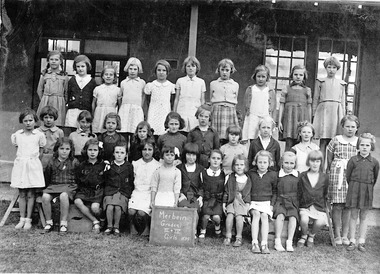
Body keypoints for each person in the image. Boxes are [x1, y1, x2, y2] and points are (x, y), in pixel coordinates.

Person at [326, 115, 359, 246]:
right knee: (338, 205)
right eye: (347, 126)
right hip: (337, 173)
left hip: (352, 175)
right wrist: (331, 170)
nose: (350, 129)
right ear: (342, 127)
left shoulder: (358, 141)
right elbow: (329, 157)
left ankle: (345, 235)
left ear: (357, 128)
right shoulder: (336, 140)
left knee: (348, 205)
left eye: (353, 127)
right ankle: (337, 235)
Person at [11, 108, 46, 230]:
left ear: (35, 121)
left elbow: (41, 151)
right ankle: (21, 218)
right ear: (22, 122)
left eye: (30, 120)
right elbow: (18, 150)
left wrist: (34, 162)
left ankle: (28, 219)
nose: (28, 123)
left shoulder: (39, 135)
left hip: (33, 165)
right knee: (22, 193)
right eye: (25, 120)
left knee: (31, 193)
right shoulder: (17, 135)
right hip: (21, 165)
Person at [346, 133, 379, 252]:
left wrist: (367, 187)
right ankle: (352, 240)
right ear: (358, 146)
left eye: (367, 145)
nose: (364, 147)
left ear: (371, 147)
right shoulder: (353, 160)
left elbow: (374, 178)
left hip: (367, 190)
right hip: (354, 188)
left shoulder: (374, 162)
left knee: (364, 216)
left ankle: (362, 241)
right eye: (362, 145)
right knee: (353, 215)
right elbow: (348, 177)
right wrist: (355, 186)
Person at [42, 137, 79, 233]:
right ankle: (49, 222)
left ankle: (63, 223)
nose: (64, 152)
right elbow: (47, 176)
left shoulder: (74, 162)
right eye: (61, 149)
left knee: (63, 195)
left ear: (71, 150)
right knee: (45, 196)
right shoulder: (51, 161)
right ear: (57, 149)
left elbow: (78, 178)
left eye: (67, 149)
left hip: (69, 186)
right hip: (54, 186)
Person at [313, 56, 346, 158]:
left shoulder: (341, 84)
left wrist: (343, 117)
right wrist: (314, 114)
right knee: (323, 141)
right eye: (329, 67)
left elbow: (343, 102)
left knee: (334, 141)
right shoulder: (320, 81)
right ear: (326, 68)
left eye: (334, 68)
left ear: (337, 69)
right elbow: (315, 99)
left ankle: (331, 167)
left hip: (336, 112)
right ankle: (321, 167)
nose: (331, 70)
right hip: (324, 111)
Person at [129, 139, 161, 235]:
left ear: (154, 150)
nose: (147, 152)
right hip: (137, 191)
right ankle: (132, 226)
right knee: (131, 211)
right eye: (144, 149)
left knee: (142, 213)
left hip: (149, 193)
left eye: (149, 149)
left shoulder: (157, 165)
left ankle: (146, 227)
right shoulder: (135, 164)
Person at [297, 150, 329, 248]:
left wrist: (326, 207)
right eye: (312, 161)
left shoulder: (324, 177)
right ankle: (304, 235)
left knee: (320, 222)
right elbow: (299, 192)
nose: (315, 164)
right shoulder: (302, 175)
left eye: (317, 161)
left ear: (321, 163)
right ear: (308, 162)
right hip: (305, 206)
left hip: (319, 206)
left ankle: (311, 235)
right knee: (304, 220)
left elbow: (325, 193)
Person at [248, 150, 277, 254]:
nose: (262, 165)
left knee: (264, 216)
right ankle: (255, 243)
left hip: (266, 202)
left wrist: (272, 205)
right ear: (256, 162)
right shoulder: (251, 173)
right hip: (254, 202)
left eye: (265, 162)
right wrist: (248, 202)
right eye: (260, 162)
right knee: (256, 214)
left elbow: (275, 191)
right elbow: (247, 189)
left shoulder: (273, 175)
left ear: (269, 163)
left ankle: (264, 244)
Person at [74, 139, 105, 234]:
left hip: (97, 191)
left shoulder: (103, 165)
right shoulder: (82, 165)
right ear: (85, 151)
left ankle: (103, 219)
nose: (92, 152)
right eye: (90, 150)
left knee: (95, 208)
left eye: (95, 150)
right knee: (77, 201)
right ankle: (95, 221)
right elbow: (78, 179)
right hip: (85, 190)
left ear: (99, 151)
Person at [278, 65, 312, 151]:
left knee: (301, 141)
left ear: (304, 76)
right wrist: (279, 121)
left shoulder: (307, 90)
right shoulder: (286, 88)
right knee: (289, 142)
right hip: (289, 119)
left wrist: (309, 123)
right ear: (292, 75)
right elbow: (281, 105)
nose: (298, 77)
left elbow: (309, 107)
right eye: (295, 74)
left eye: (301, 75)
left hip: (302, 118)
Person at [103, 142, 134, 235]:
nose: (119, 155)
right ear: (113, 154)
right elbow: (105, 179)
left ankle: (116, 227)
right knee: (109, 206)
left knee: (118, 206)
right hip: (110, 191)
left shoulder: (128, 166)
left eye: (122, 153)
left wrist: (128, 192)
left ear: (126, 154)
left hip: (123, 191)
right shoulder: (109, 165)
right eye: (117, 152)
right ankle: (109, 226)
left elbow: (131, 181)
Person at [223, 154, 251, 248]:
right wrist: (224, 203)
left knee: (239, 217)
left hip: (241, 201)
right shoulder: (230, 177)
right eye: (237, 165)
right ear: (234, 166)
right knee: (230, 216)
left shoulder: (247, 178)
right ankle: (228, 236)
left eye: (241, 165)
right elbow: (226, 191)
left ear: (245, 166)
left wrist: (247, 204)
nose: (239, 167)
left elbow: (248, 193)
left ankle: (238, 237)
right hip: (231, 200)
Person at [273, 151, 299, 252]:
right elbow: (274, 190)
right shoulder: (277, 175)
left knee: (293, 217)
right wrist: (272, 204)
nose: (289, 166)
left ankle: (289, 241)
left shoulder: (297, 176)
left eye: (291, 163)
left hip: (293, 201)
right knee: (280, 216)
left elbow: (300, 191)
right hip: (280, 200)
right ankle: (277, 241)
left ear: (295, 164)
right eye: (286, 163)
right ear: (281, 163)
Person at [242, 65, 276, 141]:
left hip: (265, 116)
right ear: (255, 76)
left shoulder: (270, 90)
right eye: (258, 76)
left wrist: (271, 119)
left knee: (264, 137)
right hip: (253, 116)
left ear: (267, 77)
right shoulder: (251, 89)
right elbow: (245, 105)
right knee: (252, 137)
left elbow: (273, 107)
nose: (260, 79)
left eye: (263, 77)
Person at [210, 58, 239, 144]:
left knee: (230, 135)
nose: (224, 72)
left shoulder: (235, 85)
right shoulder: (213, 84)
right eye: (222, 70)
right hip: (217, 111)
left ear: (231, 70)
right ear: (219, 70)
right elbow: (211, 99)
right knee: (216, 136)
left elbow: (235, 99)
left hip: (230, 111)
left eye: (227, 70)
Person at [174, 56, 206, 134]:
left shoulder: (201, 82)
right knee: (182, 131)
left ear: (197, 68)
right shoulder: (180, 81)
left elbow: (202, 100)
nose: (190, 68)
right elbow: (177, 98)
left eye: (193, 66)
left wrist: (202, 113)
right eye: (188, 66)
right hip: (182, 110)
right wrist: (174, 113)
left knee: (194, 132)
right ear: (185, 68)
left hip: (194, 110)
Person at [36, 50, 68, 127]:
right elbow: (39, 90)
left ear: (60, 61)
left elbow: (66, 92)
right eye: (51, 59)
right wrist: (44, 99)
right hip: (46, 101)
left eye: (56, 60)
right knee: (44, 121)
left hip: (59, 103)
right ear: (48, 61)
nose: (54, 62)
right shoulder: (44, 74)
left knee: (57, 122)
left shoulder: (64, 75)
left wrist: (62, 101)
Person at [65, 55, 97, 130]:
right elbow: (67, 94)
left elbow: (93, 98)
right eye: (78, 66)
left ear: (87, 67)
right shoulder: (72, 80)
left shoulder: (92, 81)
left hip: (85, 111)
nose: (80, 69)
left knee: (84, 129)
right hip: (73, 111)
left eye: (83, 66)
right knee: (71, 129)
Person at [199, 150, 225, 241]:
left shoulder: (223, 174)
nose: (215, 161)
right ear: (209, 160)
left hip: (218, 200)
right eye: (213, 158)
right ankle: (203, 230)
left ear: (221, 161)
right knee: (206, 216)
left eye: (218, 159)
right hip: (207, 199)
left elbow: (225, 190)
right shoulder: (204, 173)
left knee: (216, 217)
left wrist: (224, 202)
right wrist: (201, 197)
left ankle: (217, 227)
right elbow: (201, 187)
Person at [118, 57, 146, 144]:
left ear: (138, 70)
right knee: (124, 132)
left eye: (135, 69)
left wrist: (140, 108)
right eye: (130, 69)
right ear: (127, 69)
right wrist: (120, 108)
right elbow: (120, 97)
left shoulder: (142, 82)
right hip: (125, 110)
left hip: (136, 109)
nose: (132, 71)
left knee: (135, 132)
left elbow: (143, 97)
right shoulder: (123, 82)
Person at [145, 60, 175, 137]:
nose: (161, 72)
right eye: (159, 70)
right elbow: (147, 101)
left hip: (165, 111)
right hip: (153, 112)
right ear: (155, 71)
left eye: (164, 70)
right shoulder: (151, 85)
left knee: (164, 133)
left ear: (167, 72)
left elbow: (172, 101)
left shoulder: (171, 86)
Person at [187, 104, 220, 168]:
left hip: (209, 161)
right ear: (197, 116)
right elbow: (188, 148)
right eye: (201, 116)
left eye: (206, 117)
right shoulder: (192, 132)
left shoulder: (213, 133)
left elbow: (216, 148)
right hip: (195, 160)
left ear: (209, 118)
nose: (203, 119)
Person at [92, 65, 121, 134]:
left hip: (111, 111)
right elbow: (94, 103)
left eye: (111, 75)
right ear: (102, 76)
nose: (108, 76)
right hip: (99, 112)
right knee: (98, 130)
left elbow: (120, 105)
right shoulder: (98, 89)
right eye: (106, 74)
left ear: (114, 77)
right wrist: (93, 114)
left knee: (109, 130)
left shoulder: (117, 90)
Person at [177, 143, 204, 215]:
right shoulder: (179, 168)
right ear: (184, 155)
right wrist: (180, 194)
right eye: (188, 154)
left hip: (195, 197)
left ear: (197, 156)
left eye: (193, 155)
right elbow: (176, 184)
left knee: (193, 211)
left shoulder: (201, 169)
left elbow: (202, 186)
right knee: (184, 210)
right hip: (183, 196)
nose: (191, 157)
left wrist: (200, 197)